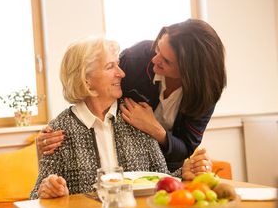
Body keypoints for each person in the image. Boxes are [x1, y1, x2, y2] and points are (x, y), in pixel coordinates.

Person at [36, 18, 225, 173]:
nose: (154, 59)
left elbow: (183, 150)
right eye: (158, 48)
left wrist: (155, 130)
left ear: (189, 71)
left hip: (166, 163)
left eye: (166, 61)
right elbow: (94, 89)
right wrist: (49, 136)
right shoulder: (136, 61)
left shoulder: (205, 91)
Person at [30, 37, 210, 199]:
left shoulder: (137, 116)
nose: (122, 73)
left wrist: (183, 173)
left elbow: (160, 177)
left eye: (118, 64)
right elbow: (36, 195)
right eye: (110, 66)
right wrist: (50, 191)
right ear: (86, 80)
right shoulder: (59, 130)